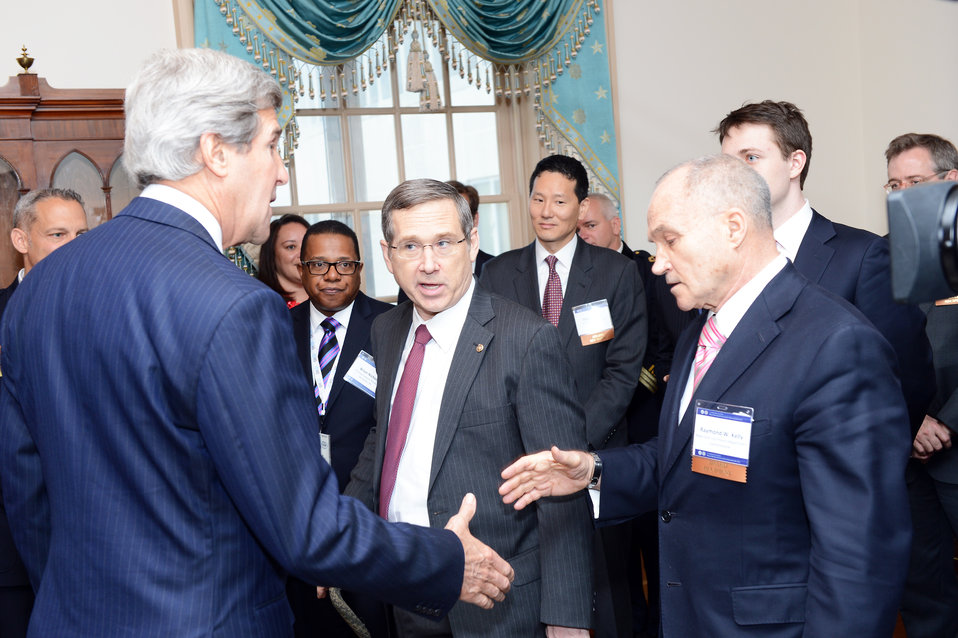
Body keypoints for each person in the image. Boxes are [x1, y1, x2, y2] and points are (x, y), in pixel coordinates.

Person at [0, 48, 513, 638]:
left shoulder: (40, 290)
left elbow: (27, 492)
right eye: (272, 145)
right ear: (216, 152)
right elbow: (307, 529)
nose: (282, 172)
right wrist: (446, 561)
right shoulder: (235, 305)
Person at [499, 154, 913, 637]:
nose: (658, 263)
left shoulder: (837, 345)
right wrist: (591, 471)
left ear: (733, 228)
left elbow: (859, 559)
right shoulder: (700, 331)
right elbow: (683, 459)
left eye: (670, 240)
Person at [345, 178, 593, 637]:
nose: (428, 264)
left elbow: (561, 489)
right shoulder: (386, 330)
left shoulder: (526, 339)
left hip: (497, 602)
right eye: (410, 246)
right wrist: (340, 535)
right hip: (403, 585)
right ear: (387, 254)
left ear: (472, 243)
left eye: (444, 242)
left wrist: (566, 616)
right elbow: (384, 439)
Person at [481, 155, 646, 637]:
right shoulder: (497, 274)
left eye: (559, 200)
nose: (546, 211)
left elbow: (622, 372)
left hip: (593, 454)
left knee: (605, 587)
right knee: (526, 585)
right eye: (538, 199)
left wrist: (571, 446)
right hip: (518, 460)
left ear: (581, 206)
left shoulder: (617, 273)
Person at [716, 100, 935, 432]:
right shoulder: (723, 260)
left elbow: (908, 377)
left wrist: (860, 455)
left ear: (795, 163)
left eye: (751, 158)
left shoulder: (864, 256)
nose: (734, 174)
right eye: (728, 162)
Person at [287, 219, 392, 637]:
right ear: (301, 269)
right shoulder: (276, 327)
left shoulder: (391, 326)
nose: (332, 275)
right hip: (296, 516)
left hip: (371, 512)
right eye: (318, 264)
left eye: (344, 264)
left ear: (360, 268)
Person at [0, 187, 88, 638]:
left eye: (81, 234)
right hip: (13, 556)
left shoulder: (110, 311)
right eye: (58, 234)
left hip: (99, 546)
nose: (74, 246)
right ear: (21, 240)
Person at [884, 132, 958, 638]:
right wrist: (912, 420)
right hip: (905, 451)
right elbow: (870, 350)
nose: (902, 194)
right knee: (923, 586)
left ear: (951, 181)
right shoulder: (879, 255)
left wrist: (946, 422)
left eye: (914, 181)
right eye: (894, 185)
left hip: (954, 439)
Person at [396, 179, 492, 305]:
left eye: (462, 215)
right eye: (411, 246)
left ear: (475, 219)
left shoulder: (498, 270)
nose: (429, 267)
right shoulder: (414, 276)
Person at [257, 213, 310, 308]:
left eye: (307, 245)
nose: (303, 254)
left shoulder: (331, 298)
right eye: (291, 247)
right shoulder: (262, 305)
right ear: (272, 254)